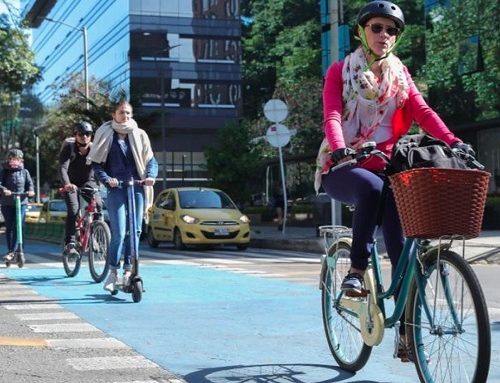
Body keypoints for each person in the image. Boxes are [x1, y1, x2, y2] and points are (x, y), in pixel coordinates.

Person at [314, 0, 474, 361]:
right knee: (370, 188)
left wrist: (453, 141)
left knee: (403, 245)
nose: (384, 35)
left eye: (391, 30)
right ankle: (355, 272)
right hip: (343, 167)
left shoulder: (400, 76)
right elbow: (333, 114)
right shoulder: (341, 71)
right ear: (362, 31)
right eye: (377, 27)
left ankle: (406, 335)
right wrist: (339, 148)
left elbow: (423, 111)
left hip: (388, 166)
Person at [87, 100, 158, 292]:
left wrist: (150, 176)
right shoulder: (105, 134)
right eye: (121, 113)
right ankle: (112, 272)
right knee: (119, 231)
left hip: (136, 186)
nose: (124, 116)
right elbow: (96, 164)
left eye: (128, 113)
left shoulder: (139, 134)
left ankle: (129, 269)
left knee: (135, 231)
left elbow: (151, 160)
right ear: (114, 115)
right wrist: (107, 179)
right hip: (116, 188)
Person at [59, 121, 102, 255]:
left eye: (88, 134)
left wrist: (109, 181)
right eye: (81, 134)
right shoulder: (69, 147)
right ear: (75, 135)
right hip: (71, 184)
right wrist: (67, 184)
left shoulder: (95, 149)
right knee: (73, 209)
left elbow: (101, 167)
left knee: (99, 205)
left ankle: (94, 236)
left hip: (88, 182)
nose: (84, 136)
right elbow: (63, 168)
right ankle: (70, 242)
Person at [0, 149, 35, 261]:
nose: (15, 161)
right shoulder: (4, 171)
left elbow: (30, 185)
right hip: (7, 203)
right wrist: (5, 190)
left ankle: (19, 249)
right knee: (10, 227)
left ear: (21, 160)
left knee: (19, 225)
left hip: (22, 202)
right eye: (12, 158)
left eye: (17, 159)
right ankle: (11, 251)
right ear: (9, 159)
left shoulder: (25, 172)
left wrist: (31, 191)